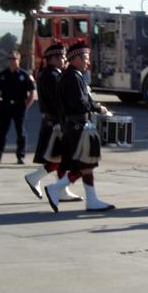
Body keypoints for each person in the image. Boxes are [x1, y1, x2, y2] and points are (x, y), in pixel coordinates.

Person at [43, 41, 114, 212]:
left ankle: (91, 200)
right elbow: (80, 103)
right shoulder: (73, 77)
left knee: (85, 165)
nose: (88, 62)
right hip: (78, 126)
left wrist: (94, 105)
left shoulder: (70, 76)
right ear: (76, 58)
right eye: (86, 58)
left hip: (73, 125)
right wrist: (98, 108)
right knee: (86, 165)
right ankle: (56, 188)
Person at [24, 43, 82, 202]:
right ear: (53, 59)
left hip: (52, 122)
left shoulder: (46, 74)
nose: (65, 60)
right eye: (62, 57)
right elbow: (59, 102)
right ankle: (43, 181)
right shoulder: (53, 76)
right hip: (56, 123)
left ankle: (43, 181)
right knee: (63, 159)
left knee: (59, 159)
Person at [0, 50, 35, 164]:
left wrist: (26, 105)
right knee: (1, 133)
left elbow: (32, 92)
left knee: (21, 133)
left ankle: (20, 156)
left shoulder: (24, 75)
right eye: (10, 59)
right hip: (5, 106)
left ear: (19, 60)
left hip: (19, 106)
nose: (12, 61)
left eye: (14, 59)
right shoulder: (2, 75)